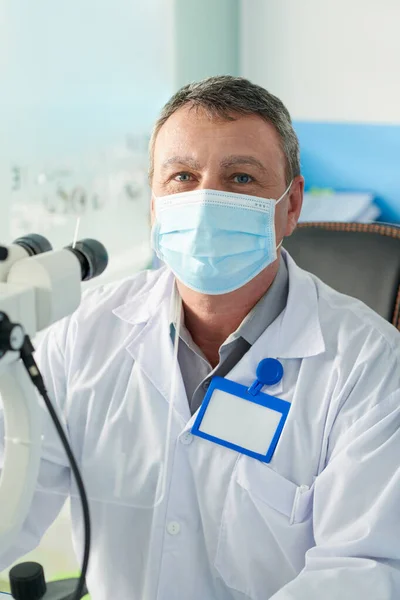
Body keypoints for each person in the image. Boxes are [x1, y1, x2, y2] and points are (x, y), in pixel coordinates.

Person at [1, 75, 400, 600]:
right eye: (183, 176)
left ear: (292, 205)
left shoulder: (368, 364)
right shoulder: (80, 335)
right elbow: (14, 491)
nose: (207, 199)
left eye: (240, 178)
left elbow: (362, 568)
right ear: (152, 205)